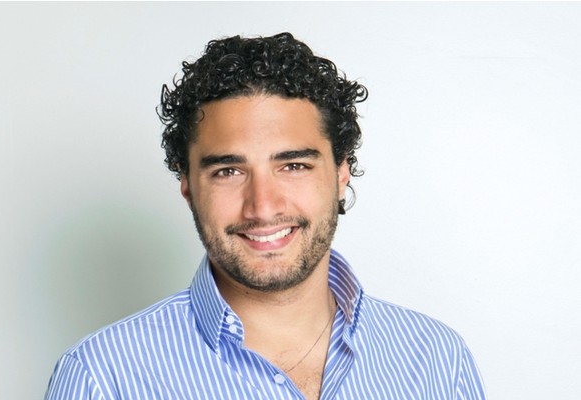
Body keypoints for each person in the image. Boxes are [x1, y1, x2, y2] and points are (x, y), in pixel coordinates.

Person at [45, 32, 486, 399]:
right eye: (228, 171)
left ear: (341, 173)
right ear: (187, 184)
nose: (263, 206)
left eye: (293, 166)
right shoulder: (103, 378)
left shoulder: (437, 360)